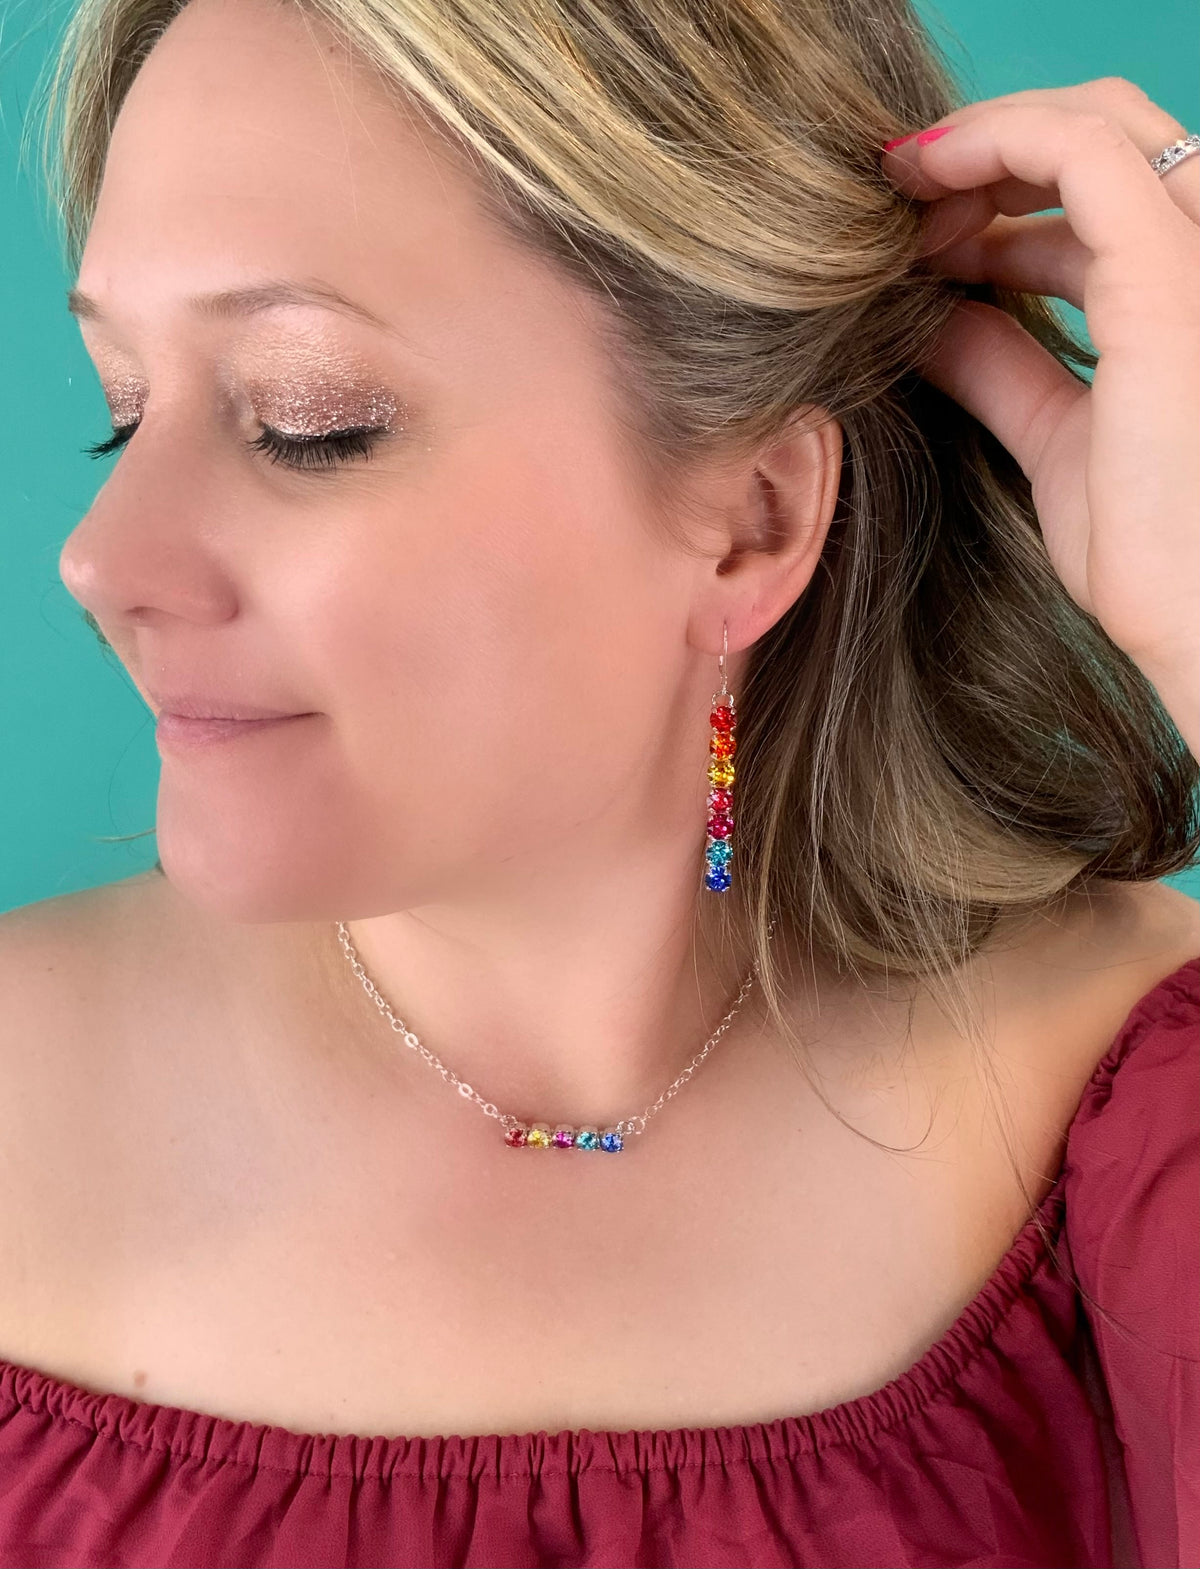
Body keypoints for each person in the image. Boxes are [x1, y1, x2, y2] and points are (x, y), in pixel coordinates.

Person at [0, 0, 1197, 1564]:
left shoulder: (1130, 1108)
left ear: (753, 520)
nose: (102, 559)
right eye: (125, 410)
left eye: (308, 420)